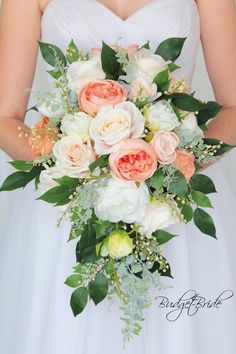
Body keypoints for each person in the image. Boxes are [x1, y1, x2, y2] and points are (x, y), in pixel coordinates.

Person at [0, 1, 236, 353]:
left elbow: (233, 107)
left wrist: (166, 164)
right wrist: (82, 165)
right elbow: (6, 118)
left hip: (174, 204)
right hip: (70, 207)